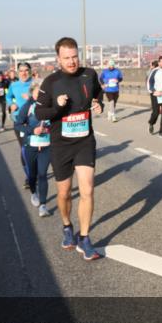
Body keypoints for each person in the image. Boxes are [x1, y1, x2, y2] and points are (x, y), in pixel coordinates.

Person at [34, 37, 105, 260]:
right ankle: (67, 226)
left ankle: (84, 238)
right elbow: (40, 113)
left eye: (75, 56)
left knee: (88, 189)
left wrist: (98, 103)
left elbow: (99, 92)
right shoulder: (51, 82)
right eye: (67, 58)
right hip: (60, 144)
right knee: (64, 193)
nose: (72, 61)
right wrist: (57, 106)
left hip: (84, 140)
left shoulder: (89, 74)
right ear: (59, 59)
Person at [14, 80, 54, 217]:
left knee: (43, 174)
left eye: (43, 92)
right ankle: (33, 192)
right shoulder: (28, 107)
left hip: (46, 146)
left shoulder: (51, 105)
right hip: (30, 146)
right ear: (33, 93)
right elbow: (18, 124)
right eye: (38, 92)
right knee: (32, 175)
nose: (42, 95)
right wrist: (32, 130)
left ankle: (43, 205)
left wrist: (49, 128)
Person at [8, 62, 35, 189]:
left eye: (26, 70)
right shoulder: (14, 85)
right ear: (18, 72)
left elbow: (46, 98)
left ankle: (37, 170)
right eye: (21, 71)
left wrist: (30, 97)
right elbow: (8, 97)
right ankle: (29, 176)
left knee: (37, 148)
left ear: (30, 71)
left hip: (35, 120)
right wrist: (11, 104)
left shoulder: (36, 84)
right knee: (24, 148)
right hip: (20, 121)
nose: (23, 73)